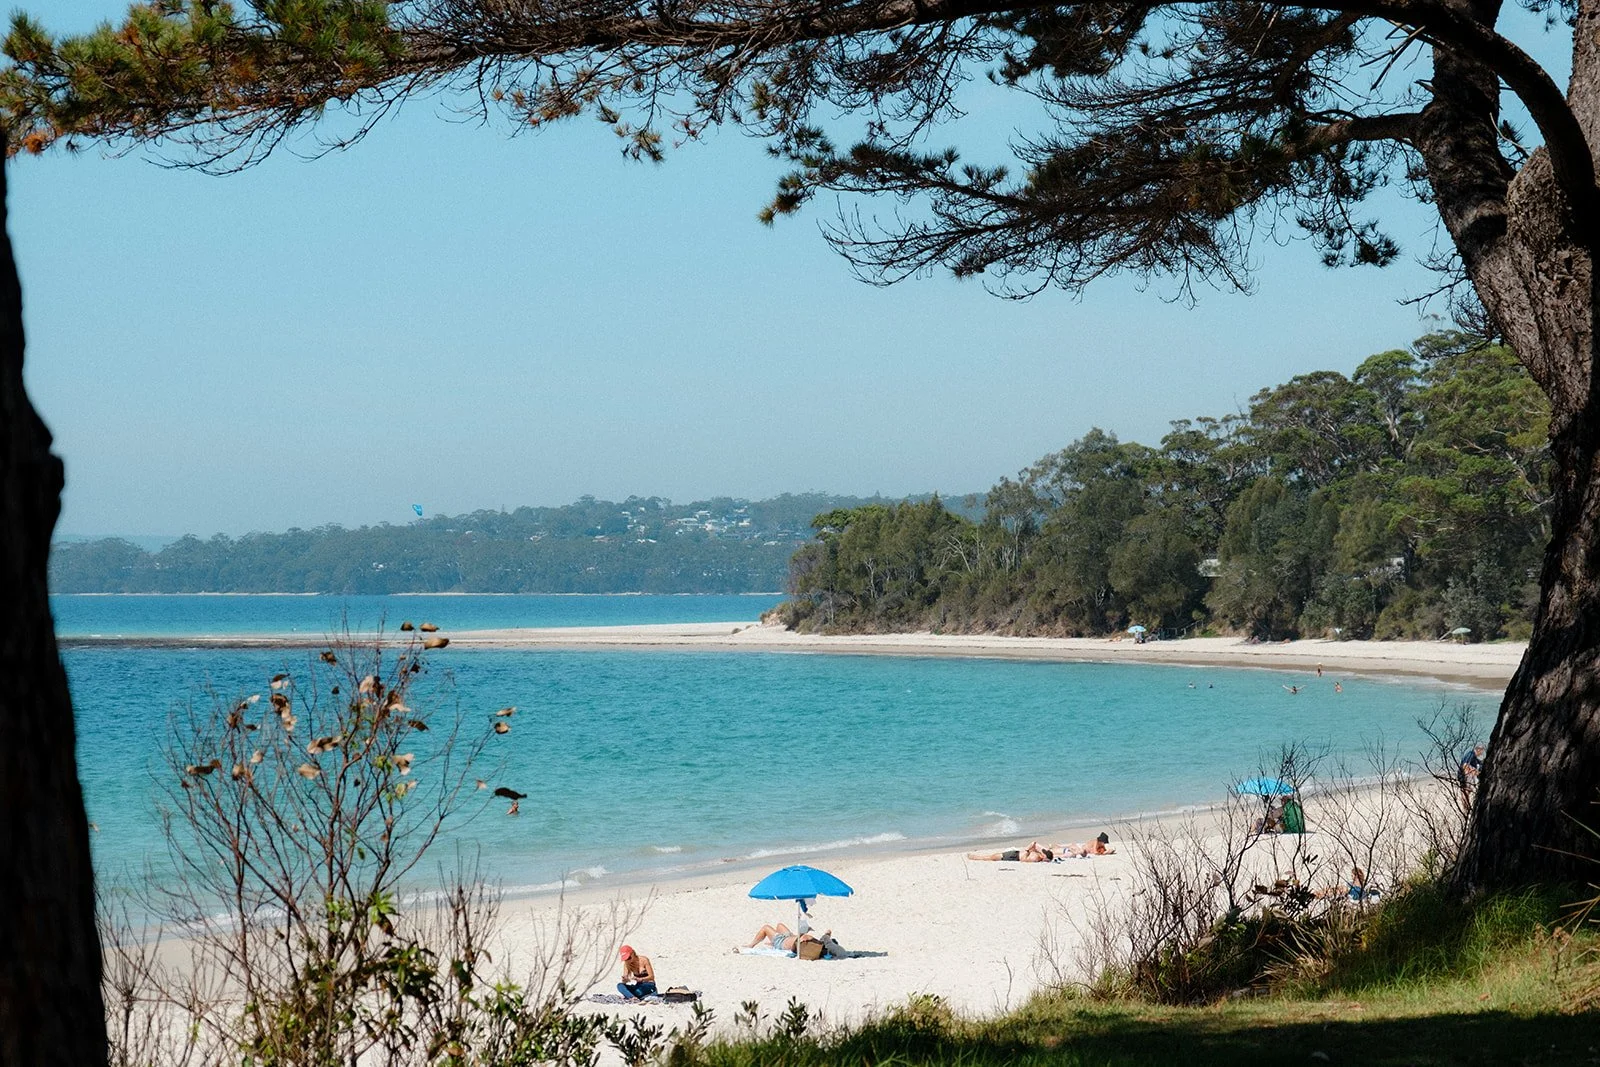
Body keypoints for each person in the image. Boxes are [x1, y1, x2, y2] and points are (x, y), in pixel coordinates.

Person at [966, 841, 1055, 862]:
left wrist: (1028, 851)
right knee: (993, 856)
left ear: (1044, 856)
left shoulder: (1035, 858)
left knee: (993, 857)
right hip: (1015, 854)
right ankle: (976, 857)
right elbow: (1034, 843)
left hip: (1014, 856)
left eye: (1044, 853)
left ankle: (975, 857)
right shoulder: (1039, 855)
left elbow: (1024, 860)